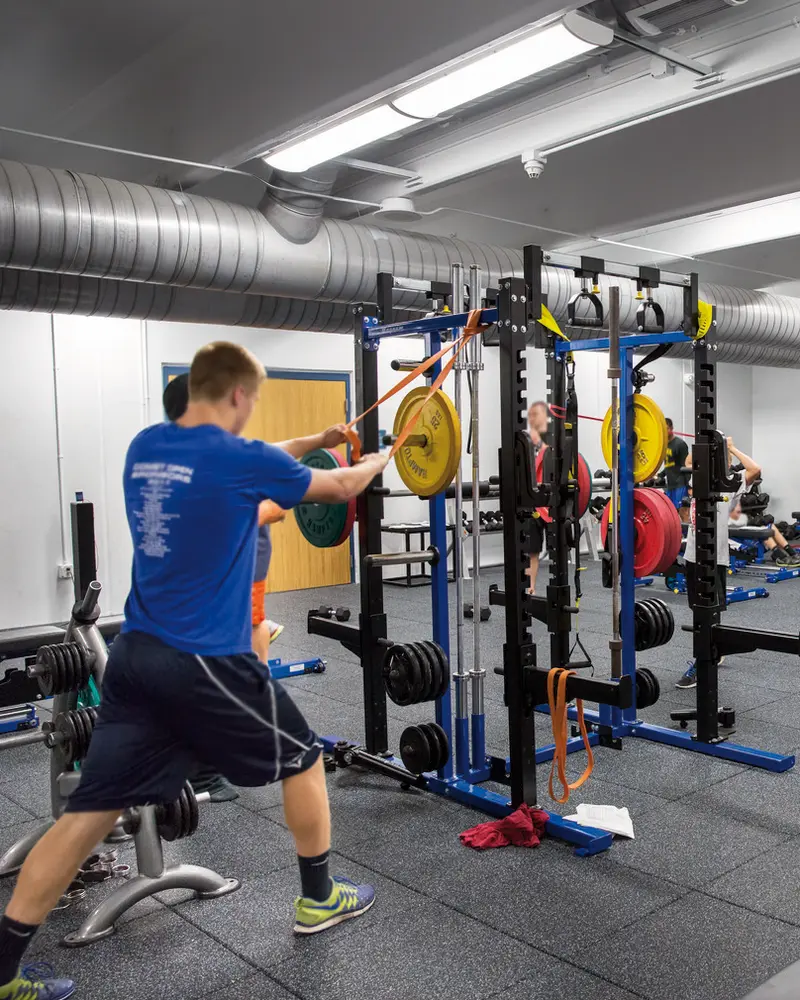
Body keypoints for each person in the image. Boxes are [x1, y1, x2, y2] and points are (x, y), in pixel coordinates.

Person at [0, 343, 388, 1000]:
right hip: (205, 660)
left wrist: (319, 437)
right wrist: (387, 454)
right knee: (304, 758)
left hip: (135, 658)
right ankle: (320, 897)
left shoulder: (148, 449)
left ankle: (3, 969)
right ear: (237, 396)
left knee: (89, 814)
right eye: (252, 401)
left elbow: (266, 455)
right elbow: (342, 487)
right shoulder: (242, 460)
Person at [676, 436, 759, 689]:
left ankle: (704, 659)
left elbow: (754, 469)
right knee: (696, 607)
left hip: (715, 557)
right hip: (692, 554)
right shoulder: (697, 477)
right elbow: (690, 459)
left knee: (711, 610)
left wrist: (730, 447)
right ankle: (714, 650)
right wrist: (707, 440)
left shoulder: (730, 484)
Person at [524, 401, 550, 595]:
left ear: (546, 417)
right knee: (531, 549)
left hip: (551, 503)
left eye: (536, 414)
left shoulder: (552, 443)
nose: (532, 417)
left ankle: (558, 589)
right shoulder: (526, 442)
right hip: (533, 504)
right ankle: (530, 586)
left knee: (559, 549)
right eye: (530, 414)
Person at [729, 501, 800, 567]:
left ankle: (792, 553)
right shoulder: (727, 527)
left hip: (754, 542)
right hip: (748, 549)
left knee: (771, 526)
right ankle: (781, 557)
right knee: (764, 530)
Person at [664, 418, 691, 510]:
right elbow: (670, 465)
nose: (664, 431)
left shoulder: (680, 444)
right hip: (670, 484)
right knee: (670, 512)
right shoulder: (664, 445)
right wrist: (660, 475)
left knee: (682, 512)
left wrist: (687, 485)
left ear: (671, 428)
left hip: (680, 485)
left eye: (666, 428)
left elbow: (686, 466)